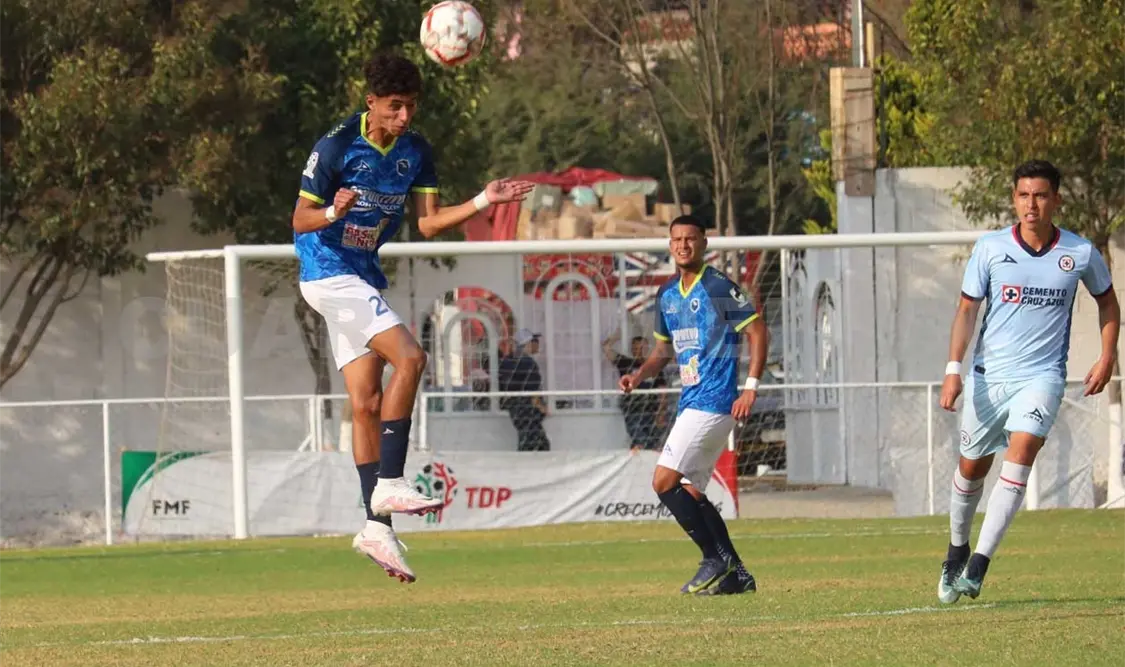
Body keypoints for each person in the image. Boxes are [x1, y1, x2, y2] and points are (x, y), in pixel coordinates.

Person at [291, 51, 533, 584]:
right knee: (413, 356)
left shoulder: (416, 151)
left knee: (365, 405)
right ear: (370, 102)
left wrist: (483, 199)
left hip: (363, 276)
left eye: (411, 107)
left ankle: (376, 527)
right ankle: (392, 478)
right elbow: (300, 218)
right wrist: (335, 210)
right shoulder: (334, 147)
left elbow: (428, 224)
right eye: (394, 107)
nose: (404, 117)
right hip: (327, 272)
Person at [937, 159, 1119, 603]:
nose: (1031, 204)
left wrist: (1107, 356)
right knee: (971, 469)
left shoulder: (1078, 253)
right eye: (1023, 195)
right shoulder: (991, 248)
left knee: (1021, 453)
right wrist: (953, 370)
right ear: (1015, 199)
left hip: (1042, 378)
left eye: (1040, 195)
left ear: (1056, 199)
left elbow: (1108, 303)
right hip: (987, 379)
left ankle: (978, 564)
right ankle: (957, 550)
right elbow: (966, 311)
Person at [620, 214, 769, 596]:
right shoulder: (667, 295)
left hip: (716, 399)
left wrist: (750, 388)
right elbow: (662, 351)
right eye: (677, 240)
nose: (683, 245)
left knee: (663, 481)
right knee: (691, 492)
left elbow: (756, 330)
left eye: (690, 239)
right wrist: (639, 376)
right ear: (669, 246)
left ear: (704, 243)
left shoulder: (717, 286)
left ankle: (713, 559)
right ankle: (736, 573)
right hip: (691, 403)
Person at [603, 332, 669, 451]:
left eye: (641, 347)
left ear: (647, 348)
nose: (638, 351)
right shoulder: (625, 362)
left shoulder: (653, 366)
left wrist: (661, 411)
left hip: (651, 410)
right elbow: (606, 348)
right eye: (635, 348)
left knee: (652, 442)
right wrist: (617, 335)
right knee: (638, 439)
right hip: (632, 408)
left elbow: (662, 389)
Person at [499, 329, 551, 451]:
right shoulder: (528, 363)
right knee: (536, 445)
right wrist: (542, 407)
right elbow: (532, 389)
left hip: (514, 409)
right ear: (527, 343)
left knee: (530, 442)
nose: (537, 344)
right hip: (527, 410)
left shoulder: (507, 361)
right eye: (535, 341)